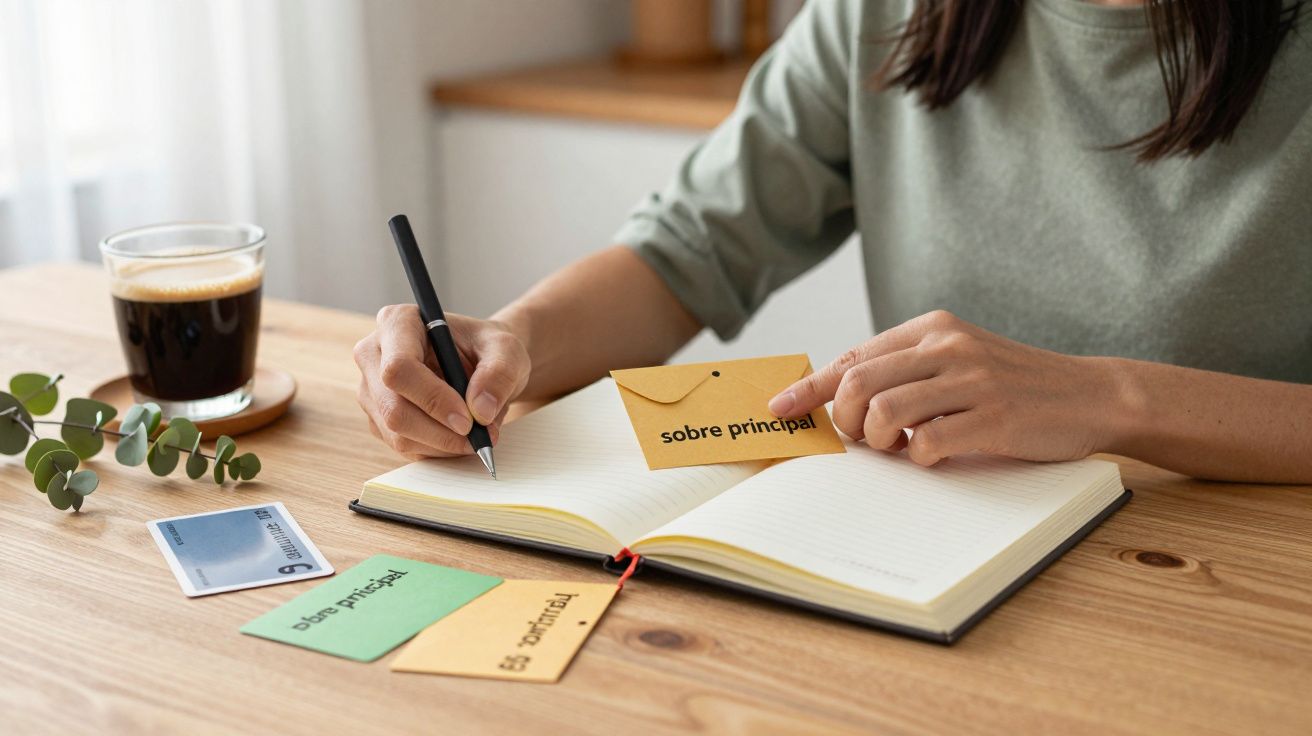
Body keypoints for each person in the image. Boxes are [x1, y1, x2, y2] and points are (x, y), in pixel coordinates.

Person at [355, 0, 1312, 483]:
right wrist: (511, 343)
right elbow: (685, 251)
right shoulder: (883, 16)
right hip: (945, 564)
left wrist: (1110, 398)